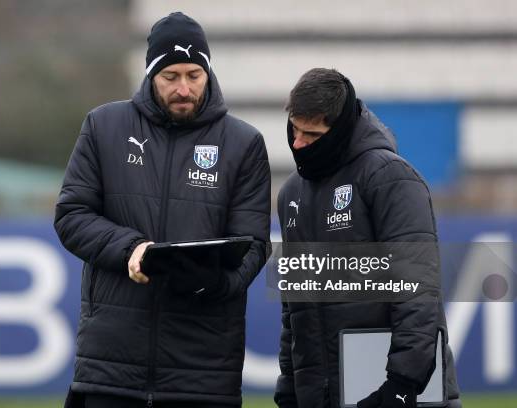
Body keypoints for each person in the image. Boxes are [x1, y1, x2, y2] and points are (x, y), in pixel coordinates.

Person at [54, 12, 270, 408]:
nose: (184, 88)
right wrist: (131, 248)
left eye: (194, 75)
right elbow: (71, 215)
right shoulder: (104, 126)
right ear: (151, 73)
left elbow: (254, 243)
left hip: (202, 372)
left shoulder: (244, 143)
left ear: (208, 72)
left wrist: (216, 283)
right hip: (112, 367)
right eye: (171, 76)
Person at [274, 68, 461, 408]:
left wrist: (403, 384)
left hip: (395, 394)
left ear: (339, 130)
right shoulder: (291, 194)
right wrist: (289, 383)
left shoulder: (389, 178)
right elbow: (295, 304)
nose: (298, 143)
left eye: (311, 135)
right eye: (294, 130)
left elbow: (416, 290)